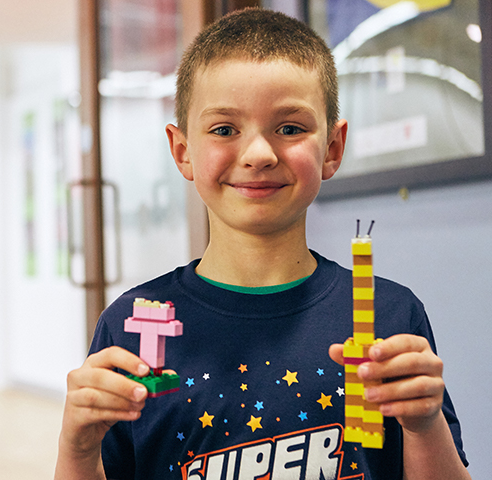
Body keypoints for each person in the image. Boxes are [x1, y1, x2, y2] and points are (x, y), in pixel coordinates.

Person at [55, 8, 470, 480]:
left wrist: (423, 426)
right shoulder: (130, 325)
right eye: (224, 130)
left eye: (290, 128)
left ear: (332, 148)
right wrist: (76, 449)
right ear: (182, 151)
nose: (258, 154)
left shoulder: (388, 315)